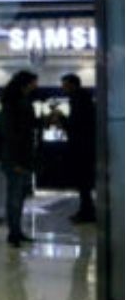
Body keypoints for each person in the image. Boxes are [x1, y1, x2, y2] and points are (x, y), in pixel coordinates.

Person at [0, 70, 38, 247]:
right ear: (26, 84)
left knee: (19, 196)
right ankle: (13, 233)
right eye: (34, 82)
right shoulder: (13, 105)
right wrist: (15, 161)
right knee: (14, 197)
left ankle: (17, 231)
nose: (36, 86)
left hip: (23, 157)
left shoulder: (22, 102)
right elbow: (10, 134)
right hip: (15, 158)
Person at [60, 73, 96, 223]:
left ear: (72, 85)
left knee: (83, 182)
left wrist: (62, 119)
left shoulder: (78, 99)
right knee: (84, 182)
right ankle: (86, 210)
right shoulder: (82, 97)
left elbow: (76, 125)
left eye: (65, 85)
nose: (63, 88)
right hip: (85, 146)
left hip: (82, 148)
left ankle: (87, 212)